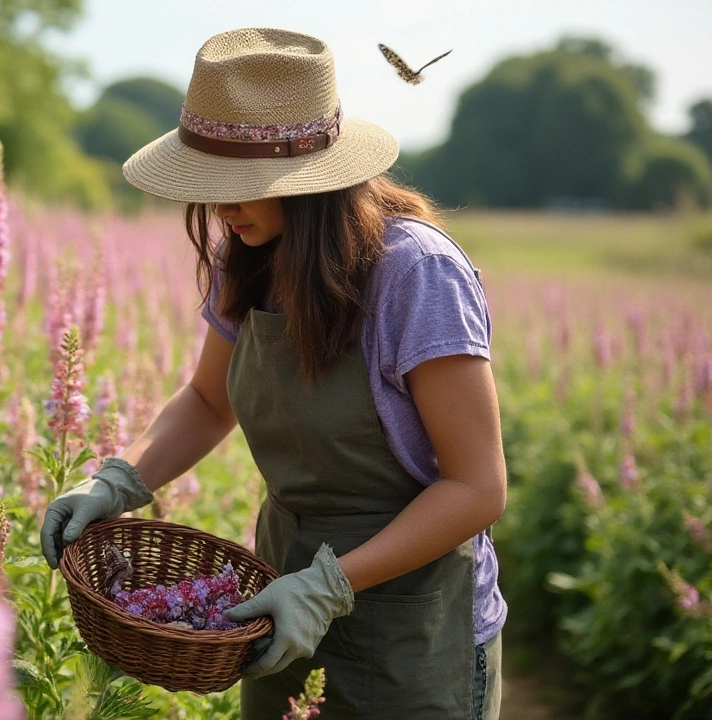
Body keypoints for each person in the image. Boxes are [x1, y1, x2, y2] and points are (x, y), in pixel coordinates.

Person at [39, 27, 507, 720]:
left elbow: (476, 487)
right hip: (277, 605)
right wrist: (118, 480)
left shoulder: (414, 273)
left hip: (411, 626)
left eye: (240, 186)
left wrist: (326, 587)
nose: (221, 209)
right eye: (210, 185)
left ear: (311, 181)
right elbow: (206, 400)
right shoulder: (251, 257)